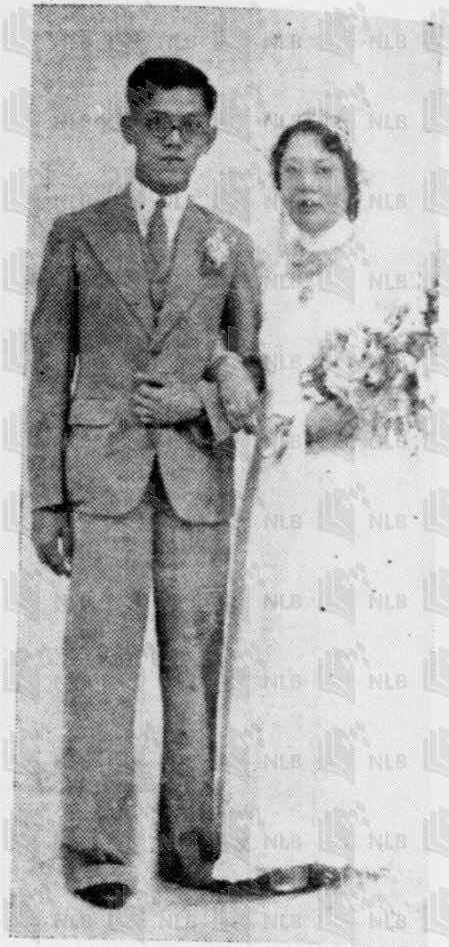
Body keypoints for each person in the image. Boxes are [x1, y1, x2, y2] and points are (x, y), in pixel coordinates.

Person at [27, 56, 263, 910]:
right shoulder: (77, 233)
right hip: (103, 484)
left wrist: (198, 400)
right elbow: (48, 373)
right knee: (99, 669)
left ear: (209, 137)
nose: (172, 139)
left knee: (193, 672)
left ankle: (189, 849)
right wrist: (46, 499)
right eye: (156, 122)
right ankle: (96, 853)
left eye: (188, 126)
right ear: (128, 128)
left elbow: (254, 374)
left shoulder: (229, 243)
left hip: (196, 486)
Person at [213, 115, 436, 896]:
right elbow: (244, 372)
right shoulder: (260, 272)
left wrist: (362, 406)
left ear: (349, 181)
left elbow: (412, 383)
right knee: (282, 646)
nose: (305, 186)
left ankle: (341, 833)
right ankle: (279, 840)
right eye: (292, 171)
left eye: (322, 171)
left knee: (341, 646)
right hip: (283, 483)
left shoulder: (383, 273)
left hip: (353, 488)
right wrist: (255, 389)